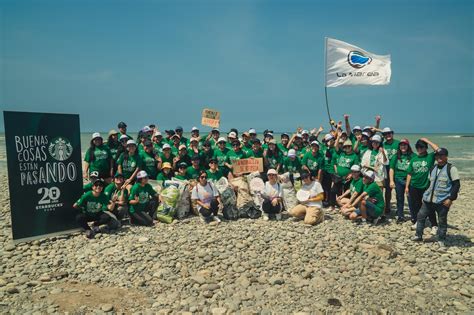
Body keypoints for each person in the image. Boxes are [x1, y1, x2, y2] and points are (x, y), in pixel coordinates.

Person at [412, 148, 460, 247]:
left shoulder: (451, 168)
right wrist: (425, 194)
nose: (439, 158)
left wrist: (451, 199)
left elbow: (456, 185)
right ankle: (418, 235)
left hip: (442, 201)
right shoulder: (433, 168)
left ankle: (441, 238)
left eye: (441, 155)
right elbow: (430, 183)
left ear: (446, 156)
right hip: (428, 200)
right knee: (420, 216)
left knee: (442, 221)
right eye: (437, 156)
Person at [405, 138, 440, 230]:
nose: (419, 149)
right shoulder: (414, 159)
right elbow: (409, 173)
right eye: (418, 147)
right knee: (416, 205)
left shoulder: (430, 157)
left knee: (429, 206)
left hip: (426, 186)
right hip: (414, 186)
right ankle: (418, 222)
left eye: (422, 147)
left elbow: (438, 149)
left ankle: (434, 225)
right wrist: (407, 187)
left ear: (426, 148)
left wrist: (427, 140)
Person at [389, 139, 414, 223]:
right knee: (399, 198)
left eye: (405, 145)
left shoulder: (412, 156)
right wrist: (391, 181)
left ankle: (413, 216)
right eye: (401, 145)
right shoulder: (396, 156)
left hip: (409, 180)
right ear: (399, 146)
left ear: (408, 146)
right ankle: (400, 216)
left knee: (410, 198)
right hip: (398, 179)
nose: (403, 146)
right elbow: (391, 169)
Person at [331, 139, 360, 209]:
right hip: (338, 176)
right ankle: (333, 205)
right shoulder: (341, 153)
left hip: (347, 177)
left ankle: (345, 206)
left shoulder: (354, 156)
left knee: (347, 192)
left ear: (351, 147)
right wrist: (338, 137)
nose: (347, 148)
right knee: (334, 190)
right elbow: (335, 145)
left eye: (348, 146)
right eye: (345, 147)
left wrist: (351, 174)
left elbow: (355, 167)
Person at [382, 127, 400, 213]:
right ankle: (387, 206)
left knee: (398, 190)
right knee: (388, 190)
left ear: (392, 133)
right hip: (386, 170)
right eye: (385, 134)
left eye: (389, 133)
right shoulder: (383, 145)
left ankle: (399, 208)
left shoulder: (398, 143)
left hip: (397, 170)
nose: (387, 135)